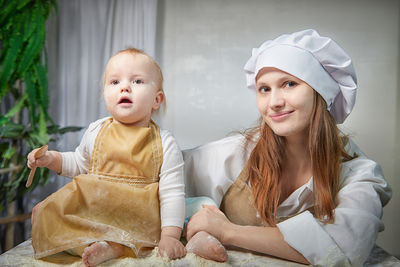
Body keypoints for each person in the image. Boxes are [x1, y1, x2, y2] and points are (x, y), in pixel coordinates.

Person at [183, 29, 392, 266]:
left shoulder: (358, 173)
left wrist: (227, 231)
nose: (274, 103)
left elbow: (345, 249)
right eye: (265, 89)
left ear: (320, 92)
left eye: (289, 84)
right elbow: (155, 175)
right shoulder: (238, 153)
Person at [27, 48, 188, 266]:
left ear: (156, 99)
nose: (125, 87)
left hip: (136, 216)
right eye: (114, 82)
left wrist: (170, 235)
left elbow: (172, 193)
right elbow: (78, 163)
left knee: (139, 235)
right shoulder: (96, 131)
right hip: (96, 211)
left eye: (138, 81)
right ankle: (100, 244)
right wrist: (52, 159)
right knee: (46, 214)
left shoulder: (164, 142)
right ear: (105, 96)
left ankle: (118, 245)